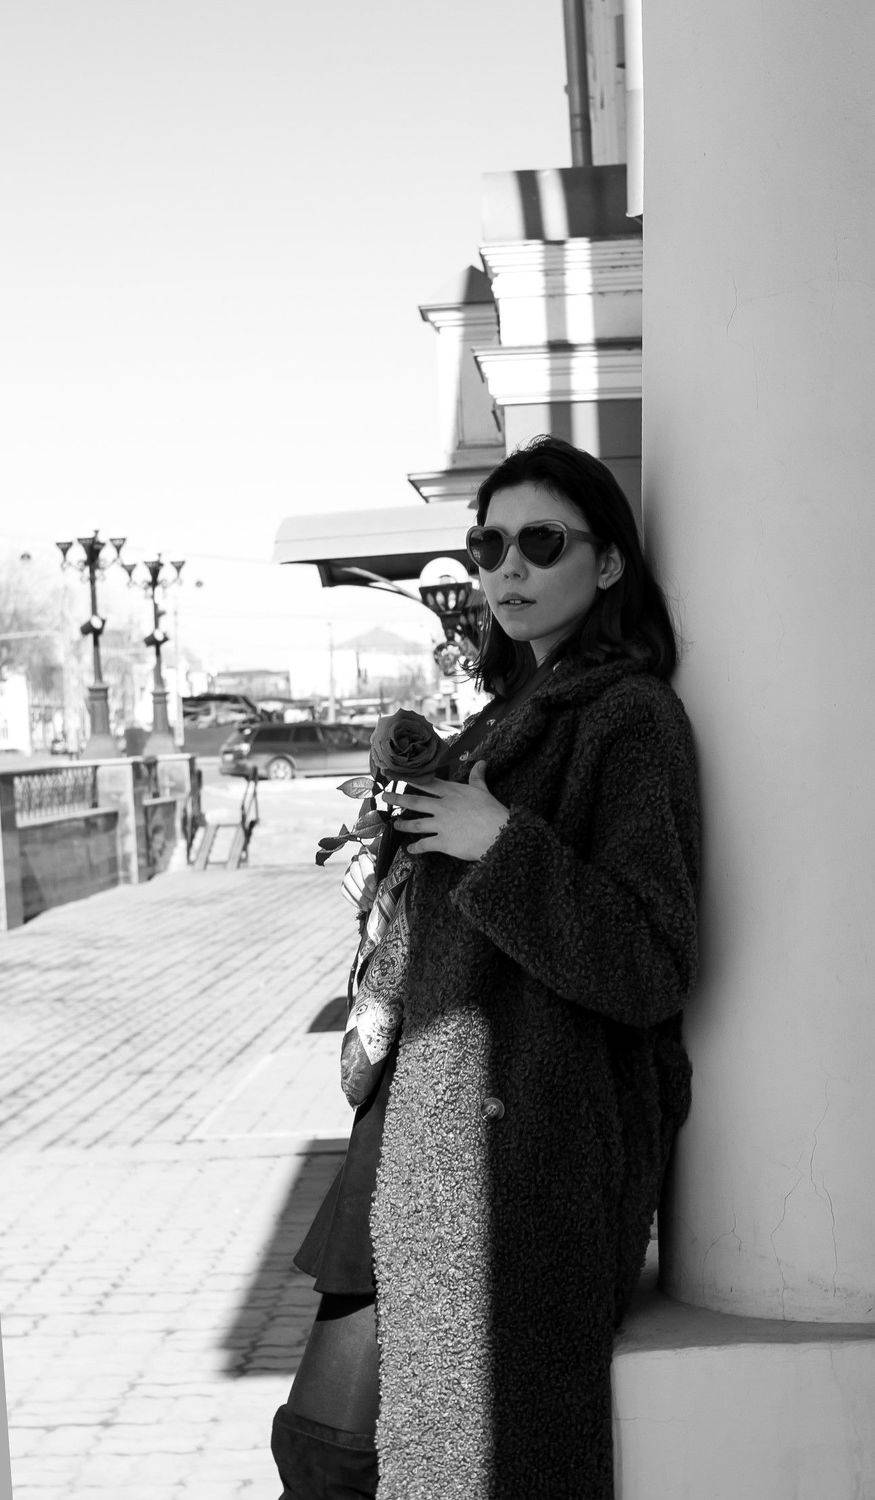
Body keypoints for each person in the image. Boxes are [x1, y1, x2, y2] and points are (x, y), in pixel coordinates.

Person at [271, 435, 700, 1499]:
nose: (507, 569)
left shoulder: (629, 719)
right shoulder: (510, 712)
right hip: (420, 1124)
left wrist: (497, 842)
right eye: (489, 546)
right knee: (329, 1450)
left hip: (516, 1151)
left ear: (607, 562)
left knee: (362, 1457)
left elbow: (649, 962)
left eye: (540, 543)